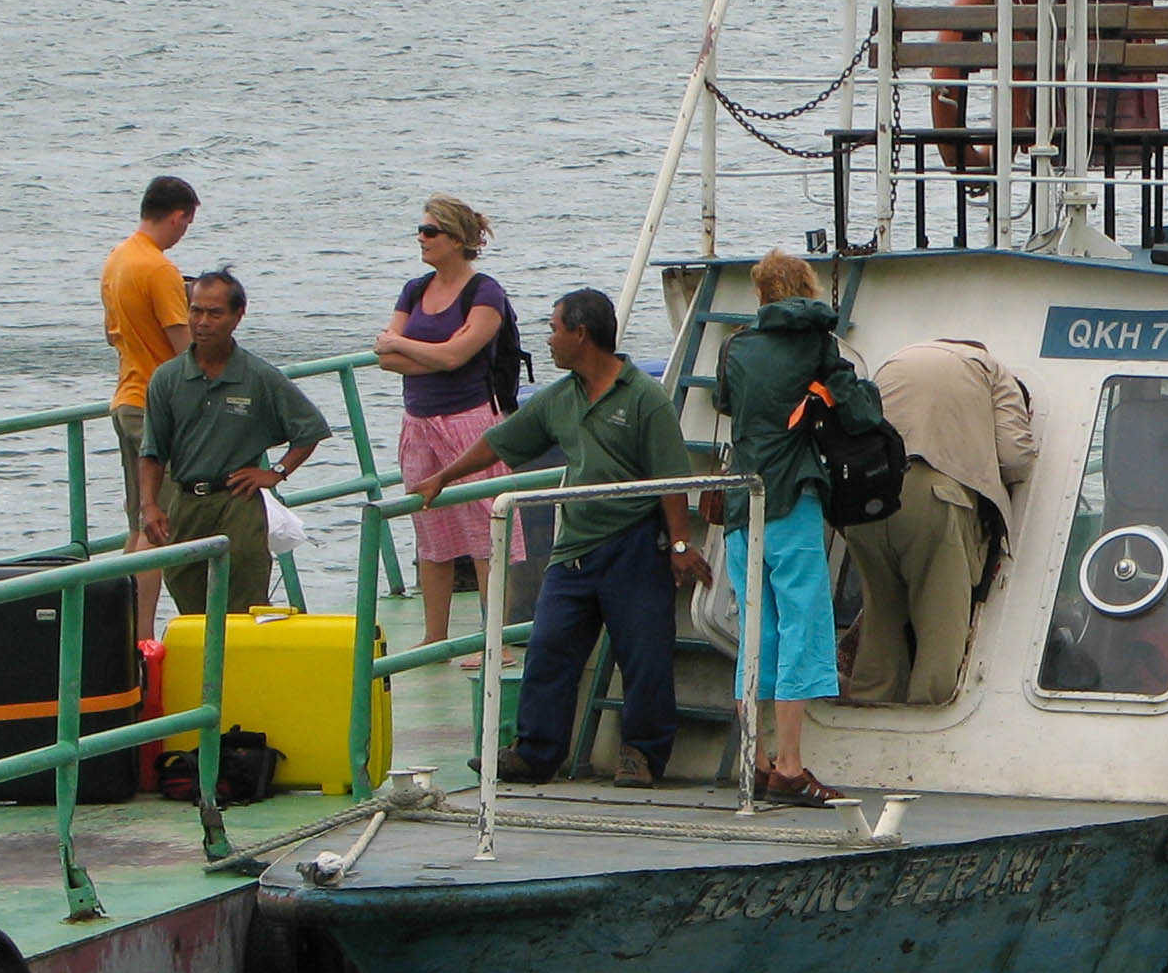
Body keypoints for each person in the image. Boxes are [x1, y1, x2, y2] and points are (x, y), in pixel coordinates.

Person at [416, 289, 705, 790]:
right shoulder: (561, 396)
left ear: (581, 334)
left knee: (645, 655)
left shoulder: (644, 398)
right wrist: (444, 475)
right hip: (573, 548)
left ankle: (642, 754)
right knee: (549, 649)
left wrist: (679, 545)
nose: (547, 339)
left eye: (553, 328)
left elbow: (671, 480)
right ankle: (535, 752)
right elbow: (503, 441)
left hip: (633, 543)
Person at [715, 250, 852, 804]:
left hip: (739, 501)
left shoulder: (735, 347)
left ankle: (756, 759)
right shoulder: (817, 343)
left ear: (761, 294)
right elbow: (854, 407)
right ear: (806, 287)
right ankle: (792, 767)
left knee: (757, 630)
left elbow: (727, 403)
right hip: (792, 494)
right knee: (803, 624)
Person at [842, 339, 1036, 706]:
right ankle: (923, 727)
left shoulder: (894, 358)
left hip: (864, 501)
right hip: (933, 496)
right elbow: (1015, 459)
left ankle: (868, 708)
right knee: (940, 628)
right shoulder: (991, 369)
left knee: (880, 619)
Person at [373, 195, 521, 663]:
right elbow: (385, 359)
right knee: (429, 524)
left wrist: (406, 345)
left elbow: (459, 356)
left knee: (485, 528)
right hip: (418, 422)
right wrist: (425, 354)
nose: (421, 238)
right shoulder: (415, 290)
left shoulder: (485, 292)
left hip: (470, 420)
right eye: (420, 230)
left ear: (457, 241)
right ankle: (434, 635)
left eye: (430, 231)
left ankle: (493, 639)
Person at [138, 269, 330, 618]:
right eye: (196, 311)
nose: (203, 322)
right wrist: (150, 505)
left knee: (243, 606)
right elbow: (152, 451)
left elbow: (311, 429)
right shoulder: (168, 378)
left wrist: (276, 472)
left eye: (215, 313)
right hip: (185, 502)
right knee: (191, 605)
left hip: (237, 502)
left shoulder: (258, 376)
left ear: (237, 316)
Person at [102, 175, 198, 634]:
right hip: (157, 408)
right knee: (157, 526)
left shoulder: (118, 259)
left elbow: (112, 334)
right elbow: (184, 349)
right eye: (187, 223)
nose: (184, 233)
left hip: (126, 397)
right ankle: (140, 636)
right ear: (179, 215)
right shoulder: (160, 269)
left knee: (139, 520)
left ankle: (119, 630)